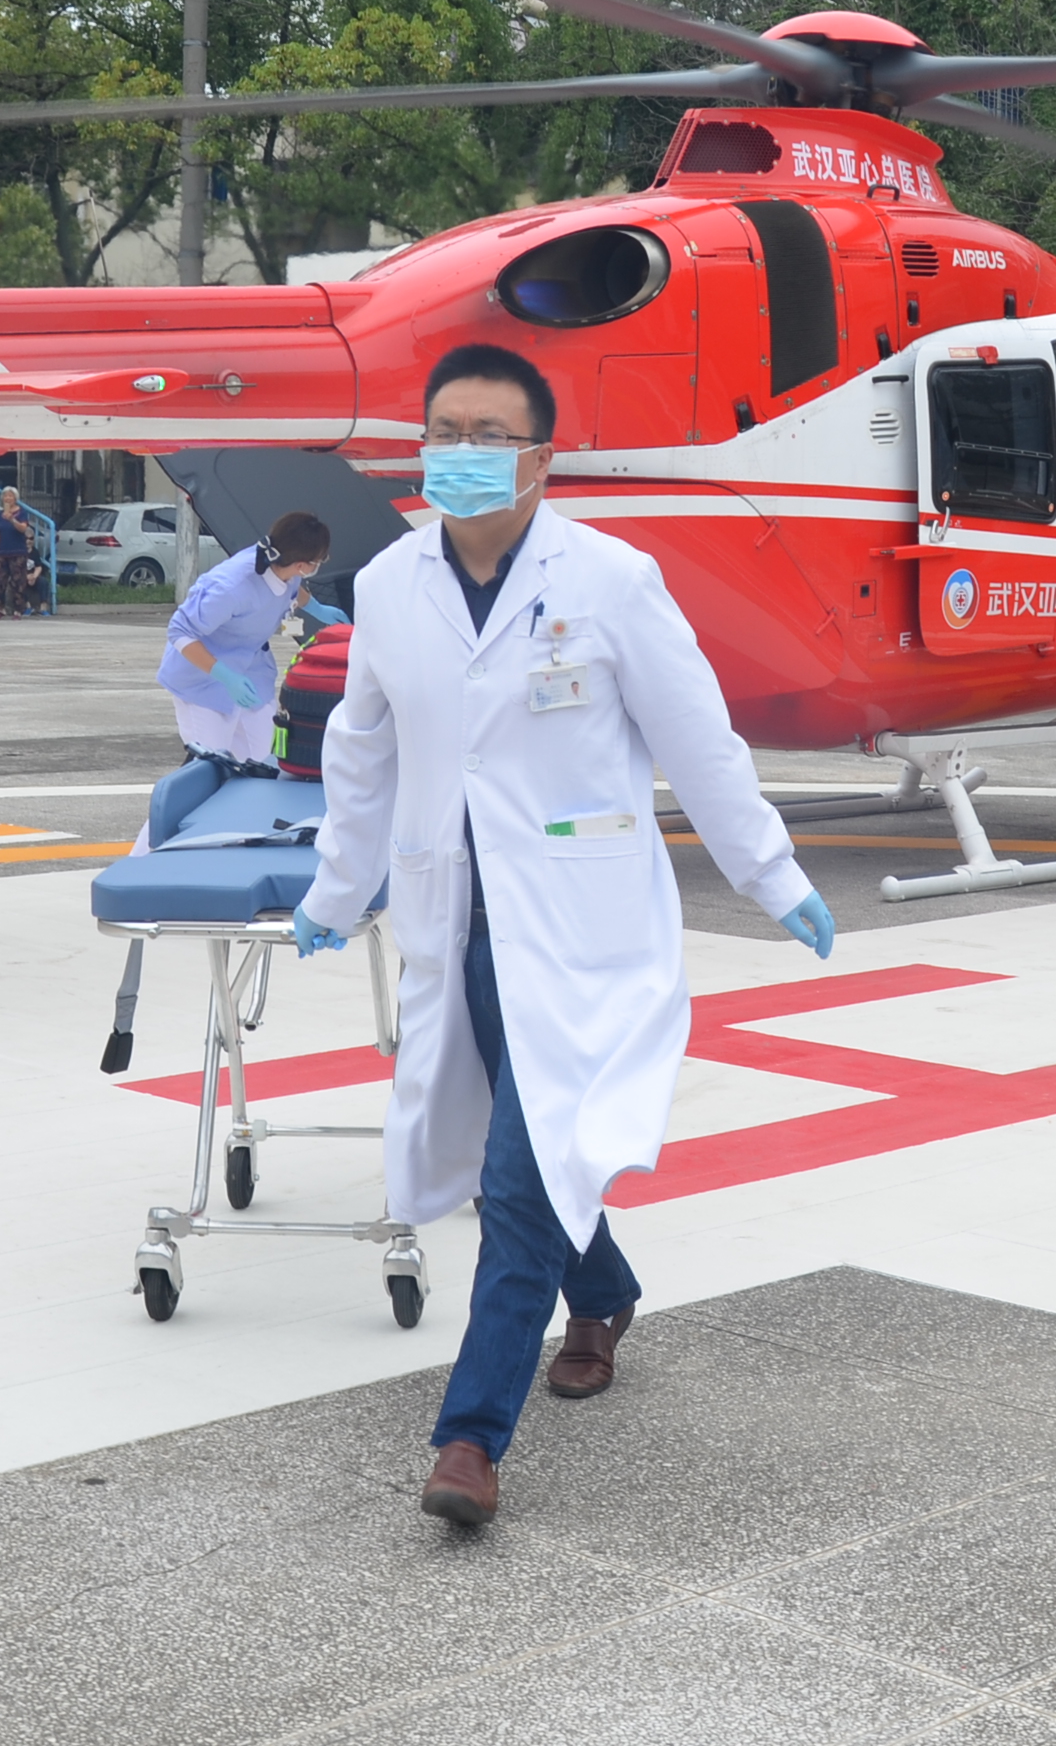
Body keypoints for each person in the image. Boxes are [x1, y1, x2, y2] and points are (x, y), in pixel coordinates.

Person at [291, 341, 837, 1530]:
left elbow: (698, 738)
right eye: (444, 432)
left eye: (489, 438)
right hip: (459, 913)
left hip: (583, 922)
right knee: (509, 1142)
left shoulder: (611, 580)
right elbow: (362, 754)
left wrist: (771, 873)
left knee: (518, 1171)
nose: (462, 456)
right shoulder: (388, 587)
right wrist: (339, 892)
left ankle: (471, 1437)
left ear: (541, 459)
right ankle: (604, 1295)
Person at [159, 509, 332, 769]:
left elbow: (293, 591)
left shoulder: (285, 567)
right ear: (303, 564)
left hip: (252, 674)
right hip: (203, 681)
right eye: (320, 560)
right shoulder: (230, 587)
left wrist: (318, 609)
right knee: (211, 765)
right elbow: (180, 631)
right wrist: (225, 676)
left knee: (267, 761)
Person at [0, 488, 38, 619]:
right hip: (2, 552)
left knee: (17, 582)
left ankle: (18, 610)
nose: (8, 498)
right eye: (5, 496)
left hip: (18, 552)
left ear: (15, 498)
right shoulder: (0, 515)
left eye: (10, 496)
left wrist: (12, 520)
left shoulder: (21, 512)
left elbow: (23, 528)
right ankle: (0, 608)